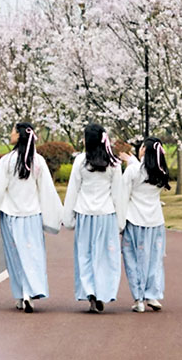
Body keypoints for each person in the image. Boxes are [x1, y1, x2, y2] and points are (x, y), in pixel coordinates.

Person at [0, 122, 62, 313]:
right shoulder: (38, 161)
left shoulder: (6, 160)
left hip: (11, 215)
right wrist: (55, 214)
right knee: (34, 254)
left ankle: (22, 294)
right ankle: (32, 291)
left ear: (19, 135)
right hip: (32, 216)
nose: (10, 133)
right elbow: (46, 190)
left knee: (15, 256)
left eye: (12, 131)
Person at [62, 123, 125, 313]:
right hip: (106, 215)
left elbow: (73, 190)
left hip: (84, 214)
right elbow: (118, 195)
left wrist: (68, 218)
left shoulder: (81, 161)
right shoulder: (113, 163)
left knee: (85, 254)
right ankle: (103, 291)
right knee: (105, 256)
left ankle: (90, 292)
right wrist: (120, 222)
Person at [118, 137, 170, 313]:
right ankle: (152, 294)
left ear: (143, 151)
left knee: (133, 260)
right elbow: (143, 169)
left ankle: (138, 298)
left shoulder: (133, 171)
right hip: (155, 221)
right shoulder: (161, 172)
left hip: (134, 220)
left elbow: (123, 196)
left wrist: (119, 222)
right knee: (154, 260)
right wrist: (131, 160)